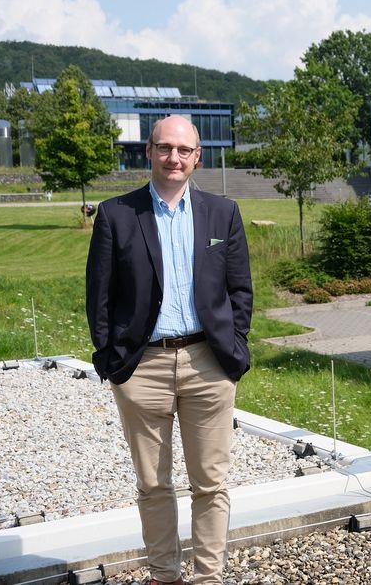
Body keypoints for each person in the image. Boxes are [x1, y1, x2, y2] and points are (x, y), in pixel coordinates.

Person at [86, 115, 253, 585]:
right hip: (143, 367)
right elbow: (98, 297)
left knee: (211, 483)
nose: (174, 157)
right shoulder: (117, 214)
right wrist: (112, 360)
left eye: (184, 150)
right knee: (154, 485)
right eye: (164, 148)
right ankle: (165, 576)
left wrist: (234, 352)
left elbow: (240, 291)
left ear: (198, 156)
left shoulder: (223, 213)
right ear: (149, 152)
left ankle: (208, 577)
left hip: (209, 363)